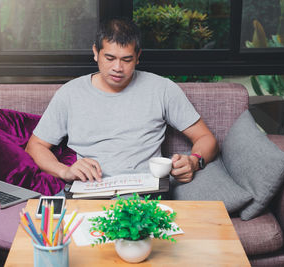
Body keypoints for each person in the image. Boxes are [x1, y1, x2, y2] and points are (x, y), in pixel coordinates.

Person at [26, 17, 218, 185]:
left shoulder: (162, 89)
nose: (117, 67)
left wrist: (194, 161)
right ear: (95, 52)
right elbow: (35, 146)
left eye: (126, 60)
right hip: (89, 188)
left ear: (138, 57)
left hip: (144, 192)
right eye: (109, 57)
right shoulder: (69, 93)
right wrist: (64, 171)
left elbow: (206, 138)